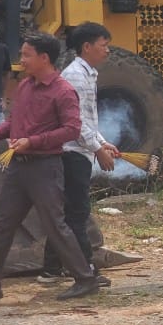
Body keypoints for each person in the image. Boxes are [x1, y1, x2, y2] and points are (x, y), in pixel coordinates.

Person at [0, 32, 99, 303]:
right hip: (18, 167)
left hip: (45, 168)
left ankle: (85, 278)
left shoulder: (63, 91)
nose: (21, 60)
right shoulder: (25, 85)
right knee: (3, 224)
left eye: (26, 55)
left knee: (54, 225)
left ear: (44, 58)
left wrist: (33, 141)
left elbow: (71, 129)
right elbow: (15, 120)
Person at [37, 22, 119, 287]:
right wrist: (97, 149)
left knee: (68, 210)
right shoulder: (75, 76)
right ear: (87, 47)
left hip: (78, 150)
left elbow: (87, 118)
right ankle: (86, 271)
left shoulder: (86, 73)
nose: (107, 51)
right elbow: (76, 123)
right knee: (77, 213)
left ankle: (51, 269)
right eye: (103, 45)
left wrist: (103, 142)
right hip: (73, 152)